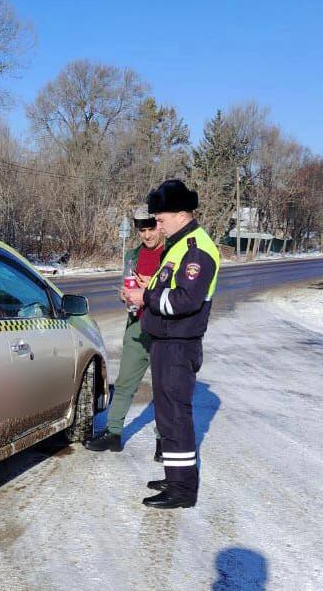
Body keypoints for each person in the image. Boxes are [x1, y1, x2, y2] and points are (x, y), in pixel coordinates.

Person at [123, 179, 220, 509]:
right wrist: (151, 285)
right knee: (167, 415)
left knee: (176, 416)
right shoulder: (178, 246)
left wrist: (145, 295)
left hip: (180, 343)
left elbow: (186, 300)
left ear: (181, 213)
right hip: (166, 341)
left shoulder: (196, 249)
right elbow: (174, 286)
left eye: (161, 218)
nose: (157, 225)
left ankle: (182, 490)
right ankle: (174, 475)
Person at [85, 206, 164, 456]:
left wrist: (150, 287)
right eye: (142, 230)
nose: (147, 235)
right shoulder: (132, 256)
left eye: (151, 228)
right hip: (137, 326)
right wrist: (125, 296)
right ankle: (113, 433)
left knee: (165, 387)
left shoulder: (174, 254)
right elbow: (128, 289)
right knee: (124, 383)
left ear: (160, 226)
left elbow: (181, 292)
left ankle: (166, 441)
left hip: (165, 328)